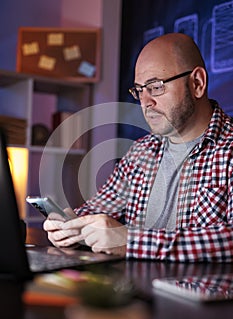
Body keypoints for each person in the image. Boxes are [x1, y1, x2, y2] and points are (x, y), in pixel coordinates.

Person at [44, 32, 233, 262]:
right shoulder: (140, 152)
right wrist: (70, 226)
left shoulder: (228, 149)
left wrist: (129, 241)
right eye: (139, 90)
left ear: (197, 83)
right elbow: (99, 209)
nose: (145, 103)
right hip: (132, 293)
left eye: (155, 87)